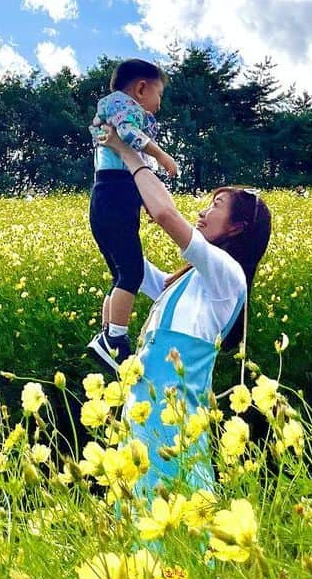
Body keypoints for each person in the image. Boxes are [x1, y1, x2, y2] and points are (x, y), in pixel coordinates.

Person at [97, 125, 272, 500]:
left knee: (175, 517)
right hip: (145, 412)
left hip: (172, 423)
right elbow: (129, 265)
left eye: (216, 206)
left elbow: (164, 214)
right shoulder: (183, 281)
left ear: (238, 227)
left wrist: (129, 154)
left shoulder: (228, 275)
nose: (203, 212)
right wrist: (114, 215)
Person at [86, 60, 179, 372]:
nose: (159, 104)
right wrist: (162, 156)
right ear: (141, 88)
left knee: (120, 276)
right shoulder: (127, 111)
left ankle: (106, 336)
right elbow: (129, 135)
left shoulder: (108, 110)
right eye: (159, 95)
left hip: (103, 197)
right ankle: (115, 340)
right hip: (116, 195)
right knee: (132, 274)